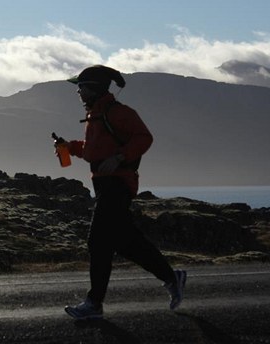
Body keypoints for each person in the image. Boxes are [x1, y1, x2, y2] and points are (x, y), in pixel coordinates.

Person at [58, 65, 186, 320]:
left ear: (93, 88)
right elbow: (94, 151)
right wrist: (69, 147)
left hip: (118, 184)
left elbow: (144, 138)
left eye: (81, 88)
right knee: (125, 242)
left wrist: (120, 157)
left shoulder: (118, 113)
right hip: (106, 184)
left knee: (98, 241)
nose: (78, 93)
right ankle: (172, 277)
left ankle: (94, 304)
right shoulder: (96, 115)